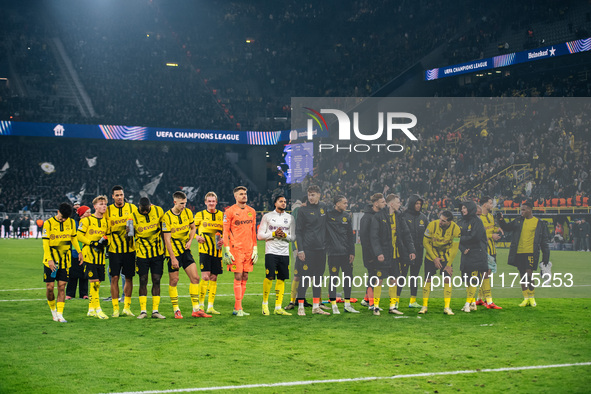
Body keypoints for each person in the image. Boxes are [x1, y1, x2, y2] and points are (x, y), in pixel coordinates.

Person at [162, 191, 211, 319]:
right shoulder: (166, 217)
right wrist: (172, 258)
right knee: (174, 280)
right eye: (181, 203)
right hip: (173, 252)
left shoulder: (188, 213)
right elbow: (167, 239)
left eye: (185, 203)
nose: (184, 206)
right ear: (175, 202)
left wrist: (190, 241)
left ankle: (196, 309)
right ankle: (176, 309)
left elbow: (193, 228)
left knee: (195, 278)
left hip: (185, 251)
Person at [497, 201, 550, 307]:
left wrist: (546, 256)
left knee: (529, 274)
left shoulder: (539, 222)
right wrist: (501, 220)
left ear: (530, 210)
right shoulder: (518, 221)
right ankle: (525, 298)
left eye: (523, 209)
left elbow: (544, 241)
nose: (521, 211)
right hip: (519, 252)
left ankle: (532, 297)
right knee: (522, 275)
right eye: (521, 209)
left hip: (531, 253)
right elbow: (507, 228)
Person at [370, 194, 416, 316]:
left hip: (396, 255)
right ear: (392, 204)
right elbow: (374, 237)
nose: (400, 204)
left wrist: (411, 250)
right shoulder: (379, 217)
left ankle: (392, 306)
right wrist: (378, 253)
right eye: (398, 202)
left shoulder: (399, 217)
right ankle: (376, 307)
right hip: (383, 255)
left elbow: (407, 235)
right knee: (379, 280)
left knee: (394, 280)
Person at [42, 202, 83, 322]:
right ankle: (53, 311)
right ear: (58, 212)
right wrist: (49, 260)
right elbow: (45, 244)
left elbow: (74, 237)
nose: (63, 220)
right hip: (50, 260)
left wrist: (79, 251)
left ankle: (60, 314)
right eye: (62, 217)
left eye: (66, 218)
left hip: (65, 260)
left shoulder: (70, 222)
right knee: (50, 288)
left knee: (61, 287)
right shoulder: (48, 223)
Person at [222, 186, 258, 317]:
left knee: (245, 277)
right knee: (238, 276)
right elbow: (225, 232)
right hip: (236, 249)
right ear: (235, 196)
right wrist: (227, 249)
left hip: (249, 249)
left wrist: (255, 248)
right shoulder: (229, 212)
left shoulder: (252, 211)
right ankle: (238, 308)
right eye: (241, 194)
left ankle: (238, 308)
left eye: (245, 193)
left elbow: (253, 231)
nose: (244, 196)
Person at [257, 194, 294, 316]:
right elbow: (260, 236)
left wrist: (285, 236)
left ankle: (278, 307)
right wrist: (273, 234)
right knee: (270, 277)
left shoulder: (290, 218)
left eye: (285, 201)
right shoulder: (267, 217)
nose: (284, 203)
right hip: (271, 252)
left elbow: (294, 237)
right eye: (281, 201)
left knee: (282, 279)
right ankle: (265, 304)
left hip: (284, 253)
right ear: (275, 203)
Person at [295, 185, 329, 316]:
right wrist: (301, 250)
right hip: (307, 250)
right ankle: (301, 306)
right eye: (309, 195)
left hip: (321, 250)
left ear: (319, 195)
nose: (310, 197)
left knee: (318, 279)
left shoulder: (323, 207)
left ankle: (316, 306)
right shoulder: (302, 211)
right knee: (304, 278)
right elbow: (298, 231)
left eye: (313, 195)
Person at [130, 197, 166, 319]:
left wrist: (166, 248)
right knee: (143, 280)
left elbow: (164, 231)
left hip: (157, 253)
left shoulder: (159, 211)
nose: (145, 212)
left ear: (150, 205)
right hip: (141, 254)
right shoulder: (132, 217)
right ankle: (143, 311)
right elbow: (129, 236)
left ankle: (155, 311)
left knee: (156, 279)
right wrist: (128, 231)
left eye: (147, 209)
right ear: (138, 206)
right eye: (143, 209)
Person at [105, 185, 138, 317]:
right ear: (112, 197)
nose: (119, 197)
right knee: (114, 278)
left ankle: (127, 308)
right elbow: (105, 229)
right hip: (114, 250)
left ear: (124, 195)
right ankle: (115, 309)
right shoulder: (107, 211)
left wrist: (131, 231)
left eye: (121, 195)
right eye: (117, 195)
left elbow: (138, 224)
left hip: (130, 250)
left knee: (129, 278)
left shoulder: (132, 208)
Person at [420, 210, 460, 315]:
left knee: (447, 279)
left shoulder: (456, 229)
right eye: (440, 219)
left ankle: (447, 307)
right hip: (431, 256)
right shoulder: (432, 225)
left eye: (443, 221)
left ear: (449, 222)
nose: (440, 222)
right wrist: (434, 258)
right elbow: (425, 242)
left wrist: (448, 265)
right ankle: (424, 306)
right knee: (428, 279)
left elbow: (455, 248)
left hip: (446, 256)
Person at [77, 196, 110, 319]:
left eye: (105, 204)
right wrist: (91, 242)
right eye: (101, 204)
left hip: (100, 257)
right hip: (89, 256)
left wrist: (106, 243)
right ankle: (98, 309)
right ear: (95, 207)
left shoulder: (106, 222)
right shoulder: (86, 221)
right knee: (94, 283)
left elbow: (107, 237)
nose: (104, 206)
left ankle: (91, 309)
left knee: (97, 283)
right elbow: (79, 236)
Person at [326, 195, 358, 314]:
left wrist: (352, 252)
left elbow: (350, 236)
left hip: (346, 253)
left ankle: (348, 304)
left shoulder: (346, 216)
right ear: (337, 203)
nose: (346, 205)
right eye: (344, 203)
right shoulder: (328, 216)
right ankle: (334, 305)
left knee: (348, 279)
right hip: (333, 253)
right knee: (334, 278)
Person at [194, 192, 224, 315]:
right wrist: (196, 237)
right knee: (205, 276)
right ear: (205, 202)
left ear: (216, 202)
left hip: (217, 251)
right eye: (209, 201)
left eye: (213, 201)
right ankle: (201, 305)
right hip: (205, 251)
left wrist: (223, 239)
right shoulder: (200, 215)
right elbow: (191, 230)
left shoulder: (221, 215)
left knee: (214, 277)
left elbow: (226, 231)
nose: (211, 203)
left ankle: (210, 306)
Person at [458, 201, 489, 313]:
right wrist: (462, 249)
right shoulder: (461, 222)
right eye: (462, 208)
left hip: (477, 253)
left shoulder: (477, 222)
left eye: (465, 208)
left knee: (473, 279)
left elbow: (475, 237)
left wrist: (462, 239)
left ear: (470, 209)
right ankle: (471, 303)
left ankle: (467, 303)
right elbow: (456, 238)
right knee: (467, 279)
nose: (462, 210)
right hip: (466, 254)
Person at [399, 194, 428, 308]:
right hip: (405, 252)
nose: (418, 206)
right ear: (411, 203)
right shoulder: (403, 216)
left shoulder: (423, 218)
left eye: (420, 204)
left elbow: (427, 234)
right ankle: (395, 300)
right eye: (416, 203)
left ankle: (413, 300)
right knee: (402, 276)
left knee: (414, 276)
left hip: (419, 251)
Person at [360, 193, 386, 311]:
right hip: (370, 254)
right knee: (373, 276)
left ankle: (366, 299)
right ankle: (371, 303)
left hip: (377, 252)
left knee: (374, 276)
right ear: (376, 204)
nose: (384, 204)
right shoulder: (367, 218)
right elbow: (365, 239)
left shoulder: (379, 216)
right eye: (383, 202)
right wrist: (371, 254)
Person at [476, 197, 503, 309]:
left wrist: (497, 230)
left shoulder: (490, 216)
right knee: (485, 273)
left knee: (487, 274)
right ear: (484, 204)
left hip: (492, 249)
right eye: (490, 203)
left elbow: (490, 229)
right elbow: (478, 234)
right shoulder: (478, 218)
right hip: (483, 249)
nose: (492, 205)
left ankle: (479, 299)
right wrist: (491, 236)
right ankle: (489, 300)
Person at [66, 205, 91, 300]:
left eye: (89, 212)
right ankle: (70, 293)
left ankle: (84, 293)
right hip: (75, 250)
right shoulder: (74, 223)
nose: (89, 214)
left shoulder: (90, 222)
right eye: (87, 212)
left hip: (86, 250)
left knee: (84, 273)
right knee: (73, 273)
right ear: (82, 214)